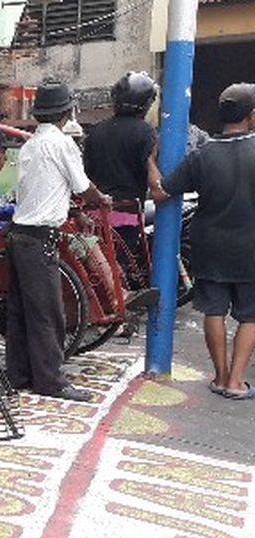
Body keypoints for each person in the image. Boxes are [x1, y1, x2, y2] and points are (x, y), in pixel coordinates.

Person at [7, 81, 112, 402]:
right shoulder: (62, 145)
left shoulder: (30, 145)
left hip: (19, 233)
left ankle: (21, 374)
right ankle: (51, 380)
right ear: (68, 112)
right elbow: (83, 187)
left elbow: (44, 190)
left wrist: (74, 210)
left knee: (23, 311)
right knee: (47, 312)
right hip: (39, 238)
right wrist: (101, 199)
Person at [158, 83, 255, 400]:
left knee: (214, 311)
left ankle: (219, 376)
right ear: (251, 116)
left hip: (209, 246)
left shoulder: (203, 155)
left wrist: (148, 161)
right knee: (250, 315)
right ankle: (236, 382)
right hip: (250, 248)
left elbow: (162, 192)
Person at [83, 71, 162, 269]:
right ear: (146, 104)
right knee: (122, 269)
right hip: (127, 213)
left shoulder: (96, 131)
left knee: (101, 268)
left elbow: (87, 172)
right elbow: (152, 177)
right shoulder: (145, 133)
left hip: (96, 213)